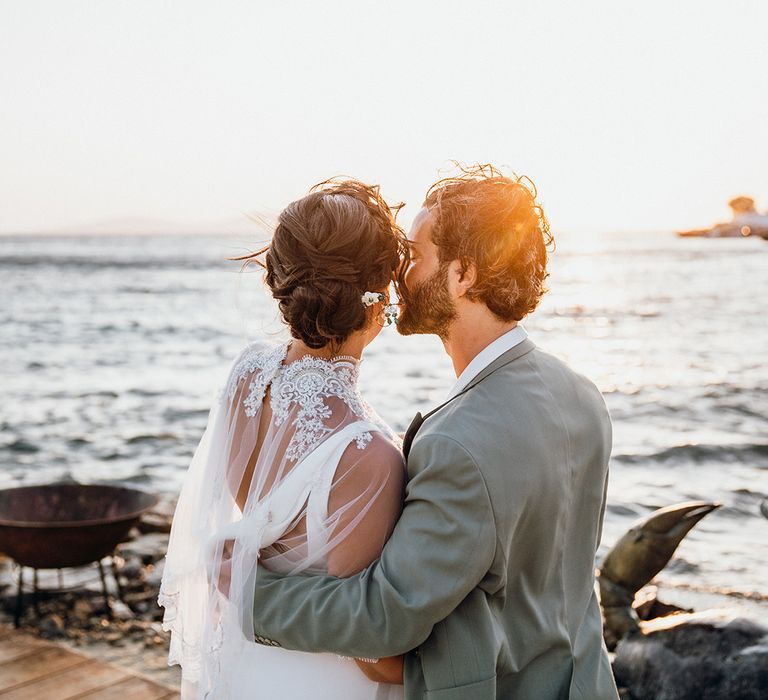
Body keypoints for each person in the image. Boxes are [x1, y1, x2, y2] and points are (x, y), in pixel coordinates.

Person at [248, 165, 620, 699]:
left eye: (417, 257)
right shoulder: (583, 395)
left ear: (464, 274)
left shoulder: (456, 444)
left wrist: (243, 593)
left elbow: (384, 617)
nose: (400, 275)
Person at [158, 179, 410, 699]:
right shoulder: (368, 454)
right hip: (321, 683)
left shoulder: (247, 373)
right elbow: (366, 648)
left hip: (247, 668)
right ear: (378, 298)